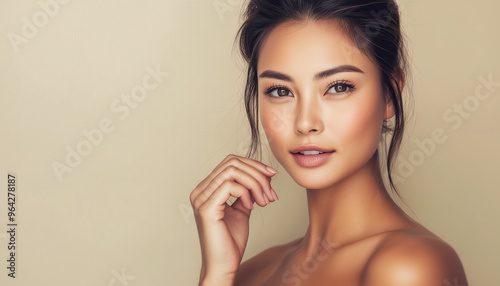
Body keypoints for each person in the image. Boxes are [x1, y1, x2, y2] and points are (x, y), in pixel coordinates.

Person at [190, 0, 468, 285]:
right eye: (280, 90)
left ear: (389, 94)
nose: (305, 123)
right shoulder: (250, 272)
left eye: (338, 87)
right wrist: (217, 274)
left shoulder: (410, 268)